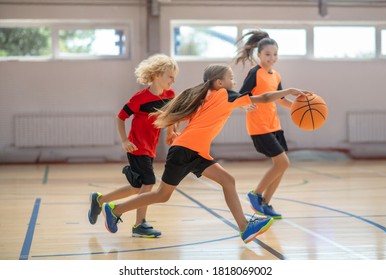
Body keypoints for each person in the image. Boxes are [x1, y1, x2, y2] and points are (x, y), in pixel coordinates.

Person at [100, 63, 312, 243]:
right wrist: (288, 91)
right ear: (219, 83)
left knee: (228, 181)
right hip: (185, 151)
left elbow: (195, 115)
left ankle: (245, 227)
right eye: (231, 78)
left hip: (196, 152)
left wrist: (173, 131)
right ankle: (115, 210)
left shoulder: (209, 97)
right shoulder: (223, 94)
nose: (234, 82)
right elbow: (264, 98)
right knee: (162, 195)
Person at [88, 53, 179, 238]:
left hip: (150, 147)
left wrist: (171, 133)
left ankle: (100, 200)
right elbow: (121, 117)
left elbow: (170, 117)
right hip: (136, 147)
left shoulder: (170, 95)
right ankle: (140, 225)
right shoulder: (140, 98)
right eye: (170, 76)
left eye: (174, 78)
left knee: (136, 188)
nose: (172, 81)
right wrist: (124, 140)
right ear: (157, 75)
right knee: (149, 183)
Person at [234, 30, 295, 219]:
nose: (272, 58)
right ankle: (255, 194)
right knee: (283, 162)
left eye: (275, 54)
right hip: (259, 126)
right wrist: (245, 107)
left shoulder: (275, 75)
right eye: (268, 54)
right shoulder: (255, 72)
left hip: (274, 125)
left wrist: (298, 107)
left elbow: (281, 100)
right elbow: (239, 97)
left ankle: (265, 203)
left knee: (282, 166)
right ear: (259, 55)